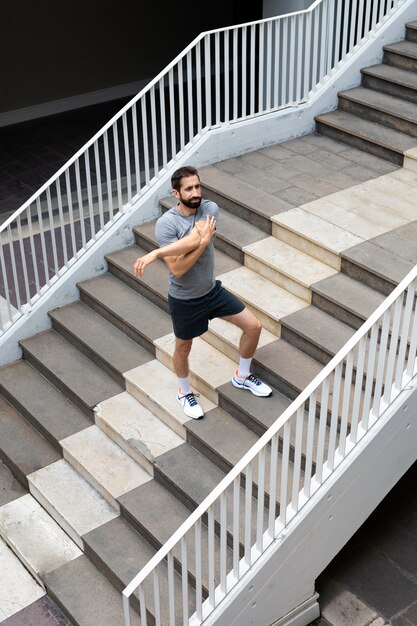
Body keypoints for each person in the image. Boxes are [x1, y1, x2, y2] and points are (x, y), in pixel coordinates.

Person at [133, 165, 272, 419]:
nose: (195, 192)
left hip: (212, 292)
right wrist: (201, 244)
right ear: (176, 194)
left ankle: (242, 375)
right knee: (183, 348)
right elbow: (178, 269)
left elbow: (196, 239)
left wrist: (158, 252)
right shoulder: (166, 224)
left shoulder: (209, 209)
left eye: (198, 186)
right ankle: (184, 391)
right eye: (189, 189)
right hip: (185, 300)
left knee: (254, 326)